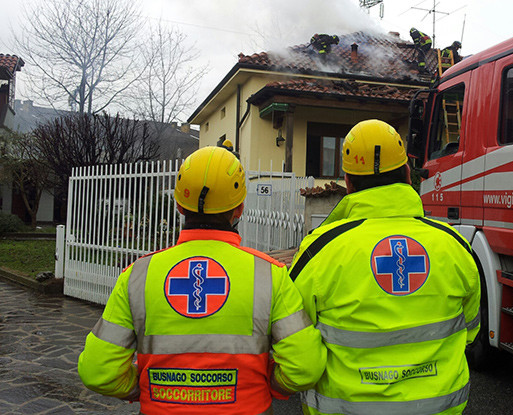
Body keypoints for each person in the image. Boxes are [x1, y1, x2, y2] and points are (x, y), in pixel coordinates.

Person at [78, 143, 327, 414]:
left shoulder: (138, 275)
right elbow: (305, 366)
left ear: (179, 206)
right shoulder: (270, 275)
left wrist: (143, 388)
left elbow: (97, 371)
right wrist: (270, 386)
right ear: (239, 208)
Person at [289, 119, 481, 414]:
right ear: (407, 174)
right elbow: (469, 329)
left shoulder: (320, 250)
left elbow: (296, 339)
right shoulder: (454, 245)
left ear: (348, 182)